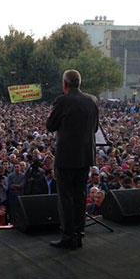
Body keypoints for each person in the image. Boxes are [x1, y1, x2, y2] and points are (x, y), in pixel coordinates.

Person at [46, 69, 99, 249]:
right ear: (79, 83)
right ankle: (79, 233)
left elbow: (50, 125)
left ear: (65, 84)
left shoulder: (62, 100)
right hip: (85, 155)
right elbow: (95, 128)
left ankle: (68, 235)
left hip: (66, 156)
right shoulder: (91, 100)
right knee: (80, 194)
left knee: (66, 197)